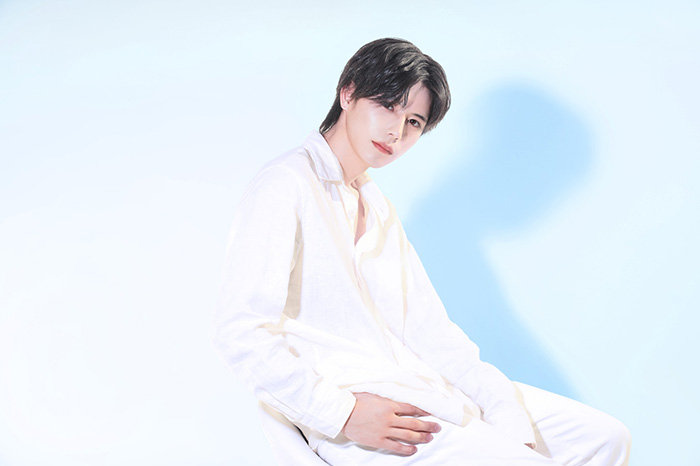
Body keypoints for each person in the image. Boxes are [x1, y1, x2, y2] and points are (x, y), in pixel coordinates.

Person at [212, 38, 631, 465]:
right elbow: (240, 332)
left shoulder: (377, 209)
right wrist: (343, 414)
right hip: (356, 414)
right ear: (348, 93)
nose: (396, 131)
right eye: (387, 105)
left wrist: (504, 411)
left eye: (413, 121)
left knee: (605, 439)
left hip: (415, 386)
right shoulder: (286, 184)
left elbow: (429, 331)